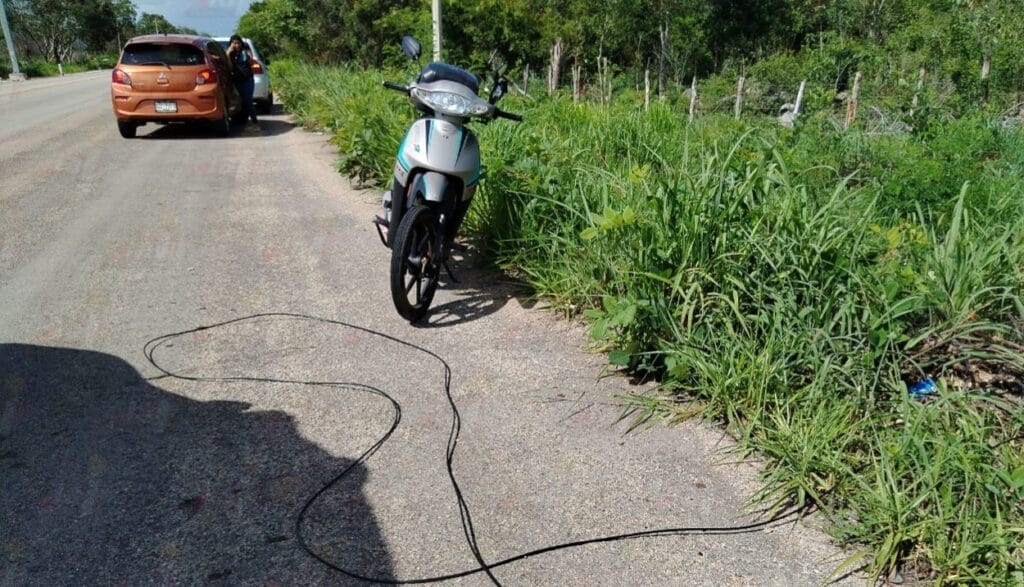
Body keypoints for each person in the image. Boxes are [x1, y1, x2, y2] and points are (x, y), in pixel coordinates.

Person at [226, 34, 258, 125]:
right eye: (234, 43)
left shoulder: (245, 51)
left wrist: (249, 56)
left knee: (248, 101)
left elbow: (251, 63)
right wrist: (228, 54)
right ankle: (240, 120)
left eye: (238, 43)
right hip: (236, 81)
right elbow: (230, 68)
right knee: (238, 102)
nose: (236, 45)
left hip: (247, 80)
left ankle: (254, 120)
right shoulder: (230, 54)